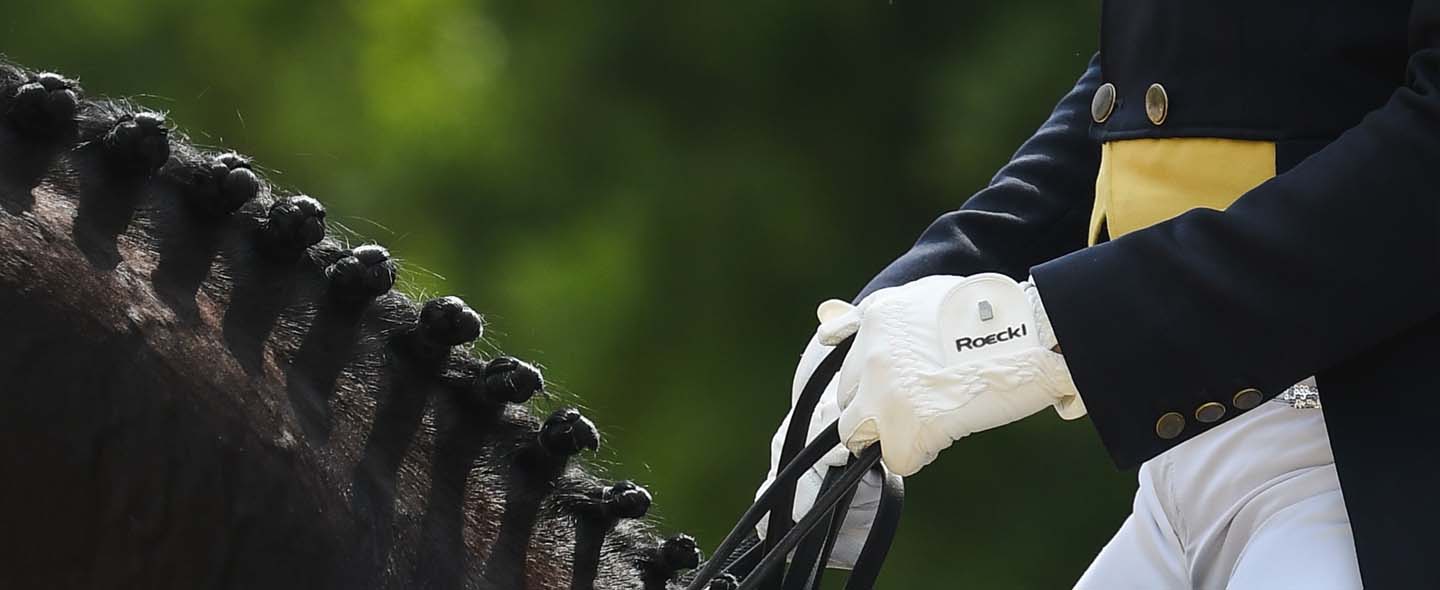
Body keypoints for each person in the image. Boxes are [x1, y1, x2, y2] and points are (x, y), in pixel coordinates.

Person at [757, 1, 1440, 587]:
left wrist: (1049, 331)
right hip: (1184, 475)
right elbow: (1156, 75)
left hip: (1375, 461)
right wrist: (907, 303)